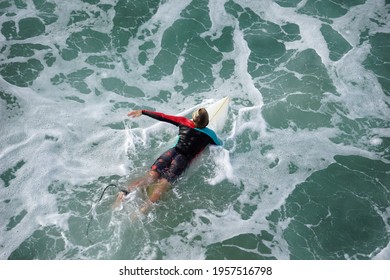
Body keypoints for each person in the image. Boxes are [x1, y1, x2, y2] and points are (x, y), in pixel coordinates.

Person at [113, 107, 223, 214]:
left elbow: (162, 116)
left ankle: (123, 194)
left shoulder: (183, 122)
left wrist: (142, 112)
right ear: (207, 122)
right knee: (162, 185)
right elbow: (219, 145)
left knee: (149, 177)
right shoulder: (210, 134)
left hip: (170, 153)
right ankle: (141, 211)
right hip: (182, 160)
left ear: (193, 119)